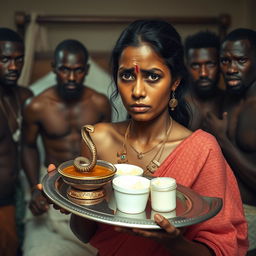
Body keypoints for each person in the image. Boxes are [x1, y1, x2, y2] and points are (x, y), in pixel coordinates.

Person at [46, 20, 248, 256]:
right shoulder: (98, 138)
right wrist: (76, 199)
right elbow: (84, 233)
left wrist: (173, 242)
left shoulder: (202, 150)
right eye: (127, 76)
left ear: (175, 81)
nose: (138, 91)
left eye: (153, 77)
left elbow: (222, 248)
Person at [21, 39, 111, 256]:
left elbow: (109, 147)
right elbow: (28, 146)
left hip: (90, 183)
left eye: (78, 70)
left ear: (87, 70)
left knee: (106, 240)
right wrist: (35, 188)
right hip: (52, 179)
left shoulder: (100, 103)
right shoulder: (37, 106)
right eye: (64, 70)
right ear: (54, 68)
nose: (71, 78)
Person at [204, 28, 256, 256]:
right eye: (225, 60)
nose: (231, 69)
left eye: (241, 60)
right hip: (222, 213)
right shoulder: (224, 101)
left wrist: (222, 140)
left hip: (252, 217)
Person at [0, 28, 33, 256]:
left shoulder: (26, 96)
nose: (14, 67)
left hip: (16, 193)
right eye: (5, 59)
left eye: (19, 59)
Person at [184, 31, 224, 131]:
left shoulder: (229, 102)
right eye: (195, 65)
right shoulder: (177, 103)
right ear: (187, 67)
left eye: (210, 64)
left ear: (220, 65)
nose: (203, 73)